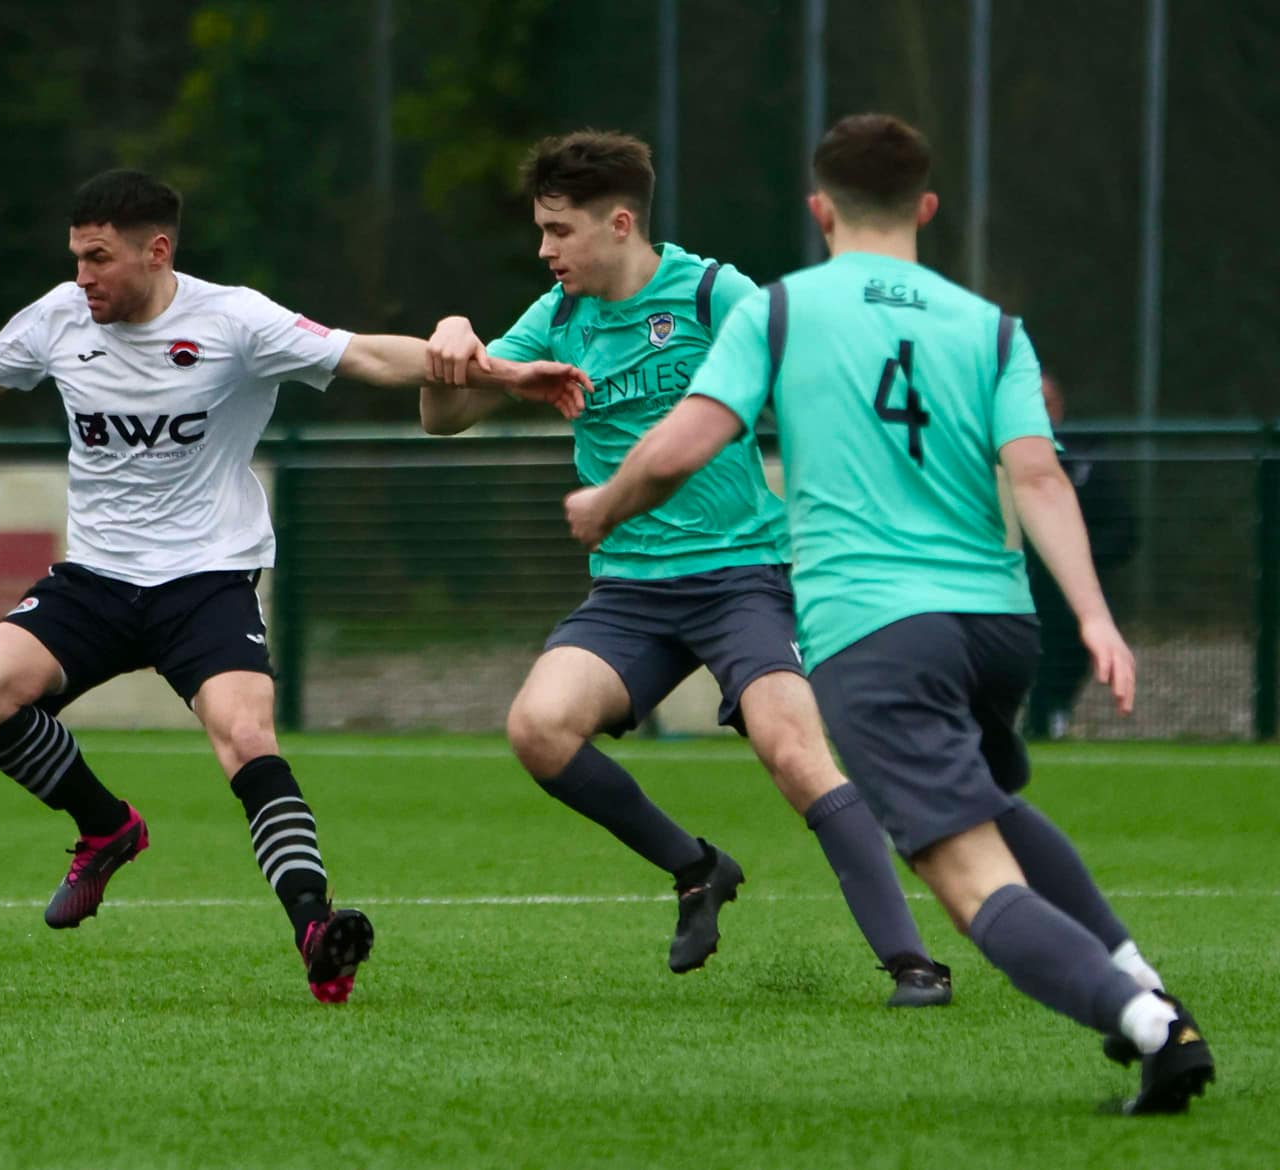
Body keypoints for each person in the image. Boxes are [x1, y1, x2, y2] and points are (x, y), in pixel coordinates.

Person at [563, 113, 1210, 1113]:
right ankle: (1148, 986)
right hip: (997, 625)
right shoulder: (988, 325)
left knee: (963, 876)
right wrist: (1092, 615)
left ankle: (1148, 1028)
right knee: (992, 804)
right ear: (923, 208)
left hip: (876, 631)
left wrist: (599, 505)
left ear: (818, 210)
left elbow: (683, 442)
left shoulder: (779, 312)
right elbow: (1034, 476)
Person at [0, 169, 588, 1003]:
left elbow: (368, 353)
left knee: (246, 738)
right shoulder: (58, 318)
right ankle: (106, 827)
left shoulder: (234, 321)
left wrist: (505, 376)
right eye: (76, 257)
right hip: (97, 582)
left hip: (206, 583)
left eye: (99, 259)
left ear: (157, 251)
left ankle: (314, 929)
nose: (83, 277)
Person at [420, 130, 949, 1005]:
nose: (543, 250)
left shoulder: (712, 293)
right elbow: (446, 419)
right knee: (538, 729)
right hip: (629, 591)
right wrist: (449, 344)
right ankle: (698, 868)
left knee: (794, 752)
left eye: (559, 231)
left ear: (619, 223)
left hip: (744, 577)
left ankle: (913, 963)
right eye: (541, 231)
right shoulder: (556, 318)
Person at [1023, 374, 1136, 739]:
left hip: (1066, 593)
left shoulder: (1087, 463)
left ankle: (1048, 716)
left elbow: (1124, 529)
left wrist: (1082, 564)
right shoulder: (989, 456)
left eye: (1046, 402)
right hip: (1011, 585)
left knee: (1064, 652)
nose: (1038, 411)